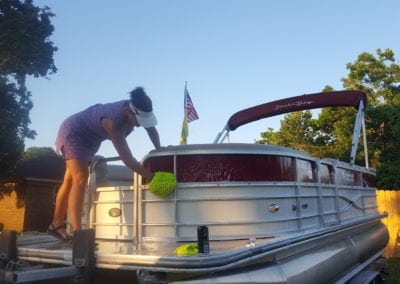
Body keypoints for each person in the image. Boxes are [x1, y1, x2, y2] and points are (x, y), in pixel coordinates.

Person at [47, 87, 161, 241]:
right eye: (139, 121)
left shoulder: (136, 109)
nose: (140, 125)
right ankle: (78, 234)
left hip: (91, 139)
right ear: (129, 112)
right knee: (80, 178)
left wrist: (160, 150)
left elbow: (151, 130)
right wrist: (152, 177)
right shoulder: (112, 122)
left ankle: (56, 225)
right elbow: (128, 159)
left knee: (69, 180)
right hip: (74, 133)